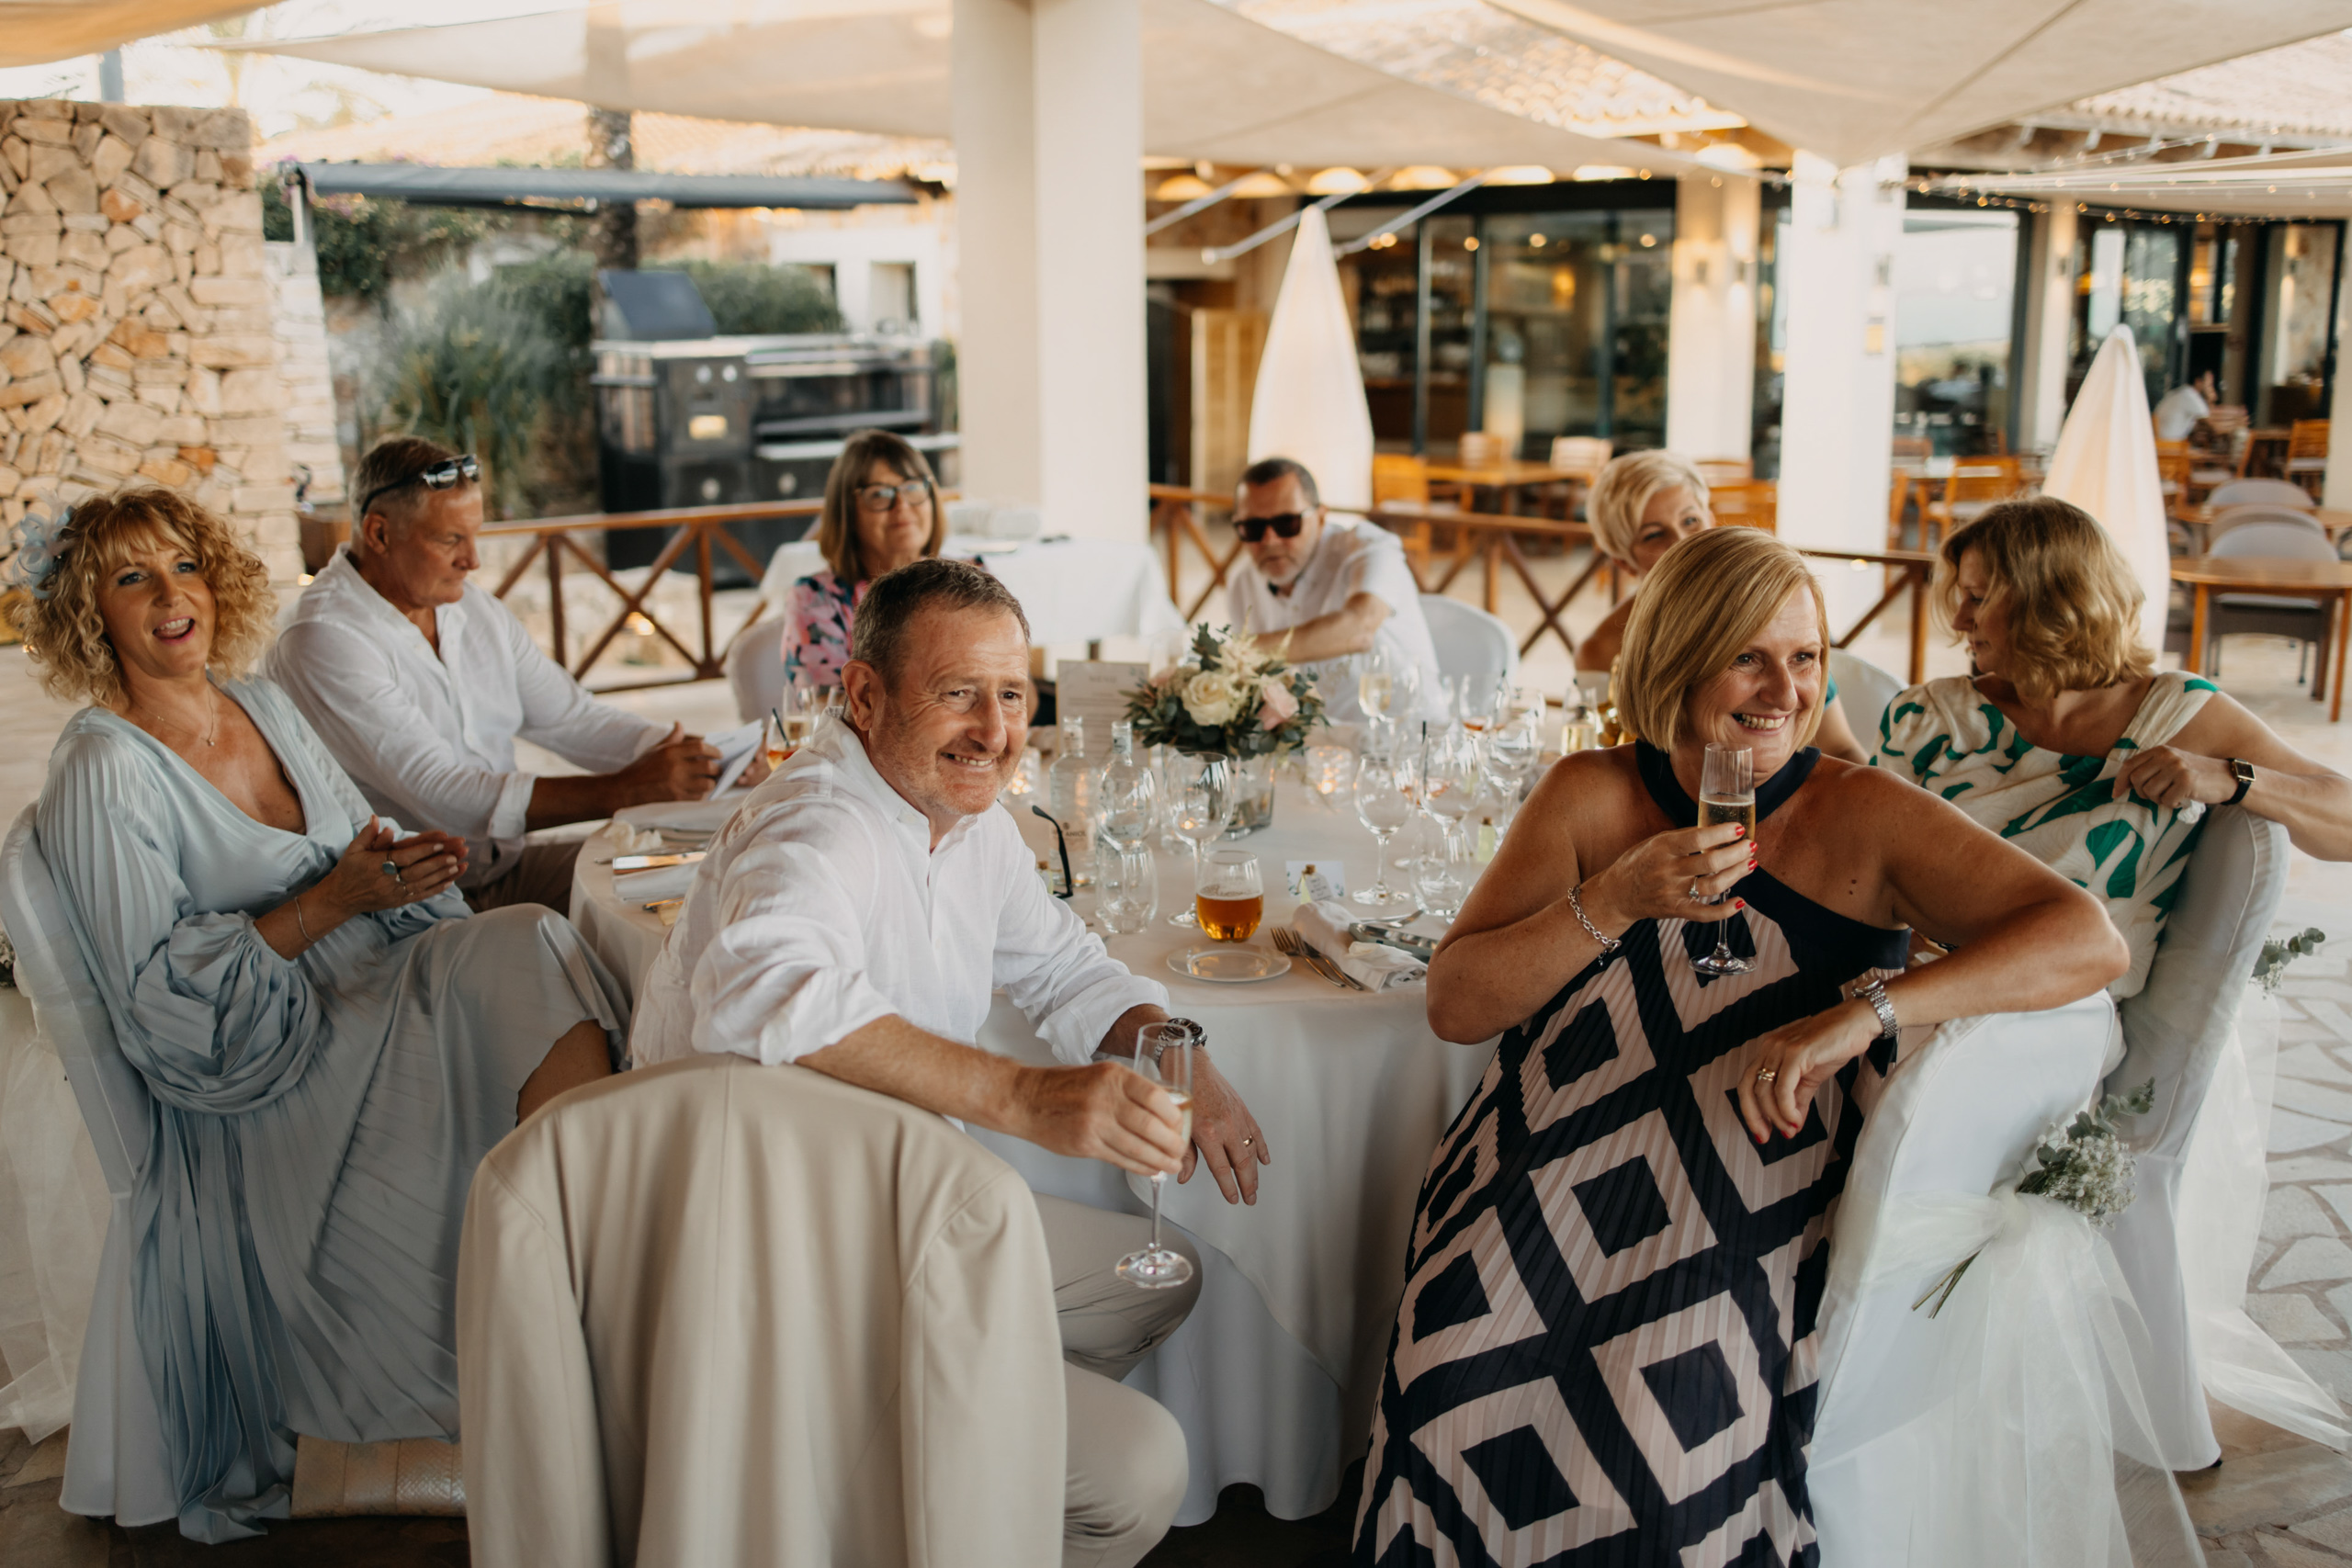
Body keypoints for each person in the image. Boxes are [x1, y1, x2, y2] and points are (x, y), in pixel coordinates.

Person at [1354, 525, 2125, 1564]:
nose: (1785, 690)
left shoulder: (1864, 812)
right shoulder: (1587, 794)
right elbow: (1455, 1003)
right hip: (1545, 1149)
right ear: (1678, 655)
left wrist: (1868, 1011)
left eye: (1805, 657)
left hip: (1748, 1171)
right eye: (1748, 657)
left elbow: (2087, 938)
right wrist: (1611, 899)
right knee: (1453, 1356)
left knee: (1663, 1420)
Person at [13, 487, 628, 1541]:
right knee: (525, 951)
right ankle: (574, 1330)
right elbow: (165, 1015)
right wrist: (332, 901)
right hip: (262, 1071)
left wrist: (400, 871)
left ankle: (575, 1292)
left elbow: (355, 852)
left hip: (373, 980)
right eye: (132, 578)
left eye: (185, 566)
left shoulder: (261, 703)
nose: (171, 596)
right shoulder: (101, 771)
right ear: (88, 613)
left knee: (531, 938)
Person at [633, 558, 1272, 1568]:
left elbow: (1062, 966)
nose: (994, 730)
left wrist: (1182, 1056)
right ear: (864, 695)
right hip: (775, 1246)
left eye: (1012, 694)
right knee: (1141, 1472)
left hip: (904, 1203)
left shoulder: (967, 821)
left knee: (1157, 1279)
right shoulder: (816, 823)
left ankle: (922, 1480)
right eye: (957, 693)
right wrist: (1024, 1095)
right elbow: (760, 986)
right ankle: (867, 1451)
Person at [1875, 497, 2352, 997]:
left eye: (1977, 598)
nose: (1959, 620)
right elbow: (1862, 865)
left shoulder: (2176, 714)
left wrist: (2234, 777)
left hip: (2061, 1010)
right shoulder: (1927, 717)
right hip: (1909, 991)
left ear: (2051, 603)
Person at [269, 436, 735, 913]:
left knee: (706, 881)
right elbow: (443, 794)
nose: (472, 560)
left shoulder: (472, 609)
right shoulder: (324, 636)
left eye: (474, 535)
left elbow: (571, 718)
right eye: (450, 539)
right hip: (403, 910)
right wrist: (623, 790)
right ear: (379, 534)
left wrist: (706, 758)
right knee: (625, 925)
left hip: (506, 868)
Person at [1576, 448, 1874, 760]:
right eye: (1654, 535)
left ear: (1711, 520)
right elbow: (1610, 757)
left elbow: (1840, 747)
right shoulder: (1601, 650)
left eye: (1690, 521)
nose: (1682, 541)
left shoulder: (1770, 613)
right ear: (1623, 561)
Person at [1223, 455, 1445, 728]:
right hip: (1316, 745)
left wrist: (1238, 651)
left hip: (1411, 736)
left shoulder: (1371, 548)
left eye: (1287, 523)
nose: (1270, 540)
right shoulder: (1241, 584)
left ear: (1320, 517)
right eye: (1253, 528)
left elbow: (1358, 629)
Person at [778, 427, 949, 694]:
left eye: (913, 487)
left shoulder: (967, 583)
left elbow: (1008, 686)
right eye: (879, 494)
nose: (902, 505)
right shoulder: (816, 598)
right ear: (847, 511)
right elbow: (828, 705)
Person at [2154, 369, 2217, 443]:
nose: (2211, 389)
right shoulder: (2191, 396)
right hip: (2169, 443)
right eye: (2209, 385)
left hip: (2162, 440)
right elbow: (2211, 425)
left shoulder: (2182, 392)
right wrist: (2210, 400)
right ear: (2198, 382)